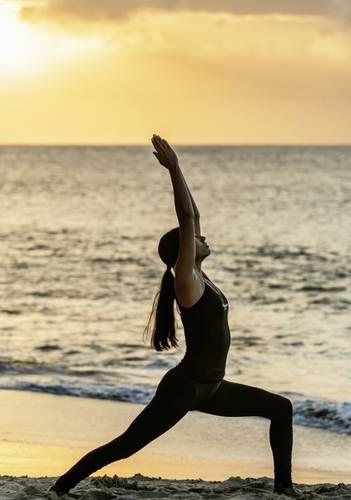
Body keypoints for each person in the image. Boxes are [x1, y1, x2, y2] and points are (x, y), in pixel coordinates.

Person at [48, 135, 300, 497]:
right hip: (184, 389)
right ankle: (61, 487)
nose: (202, 237)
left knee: (280, 408)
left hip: (212, 388)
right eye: (194, 239)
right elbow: (185, 217)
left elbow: (193, 217)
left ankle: (284, 488)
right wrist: (175, 168)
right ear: (182, 252)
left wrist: (185, 186)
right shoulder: (187, 280)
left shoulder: (203, 278)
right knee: (126, 445)